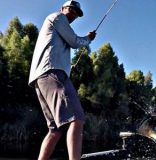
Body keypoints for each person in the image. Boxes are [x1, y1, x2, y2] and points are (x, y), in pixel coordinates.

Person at [28, 1, 96, 160]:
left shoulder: (55, 25)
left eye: (76, 14)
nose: (73, 15)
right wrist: (88, 38)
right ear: (62, 9)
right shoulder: (58, 17)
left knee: (54, 130)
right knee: (77, 119)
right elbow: (75, 41)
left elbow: (58, 47)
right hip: (52, 73)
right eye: (71, 10)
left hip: (40, 79)